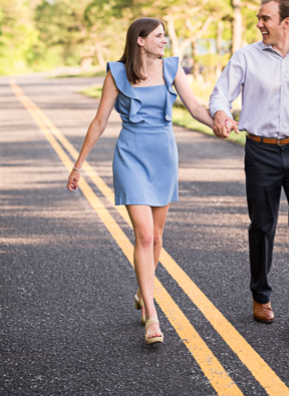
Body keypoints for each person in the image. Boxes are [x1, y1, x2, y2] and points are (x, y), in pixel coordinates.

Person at [67, 18, 215, 345]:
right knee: (144, 234)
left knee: (158, 235)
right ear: (140, 41)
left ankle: (141, 287)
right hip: (130, 156)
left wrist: (221, 121)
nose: (165, 41)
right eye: (159, 36)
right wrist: (78, 166)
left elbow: (194, 108)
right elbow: (100, 121)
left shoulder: (173, 68)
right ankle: (151, 313)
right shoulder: (116, 74)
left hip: (163, 155)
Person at [209, 0, 289, 329]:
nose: (259, 24)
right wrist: (222, 114)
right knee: (262, 227)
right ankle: (261, 297)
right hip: (261, 152)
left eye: (265, 18)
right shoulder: (246, 56)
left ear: (286, 22)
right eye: (258, 18)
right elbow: (220, 94)